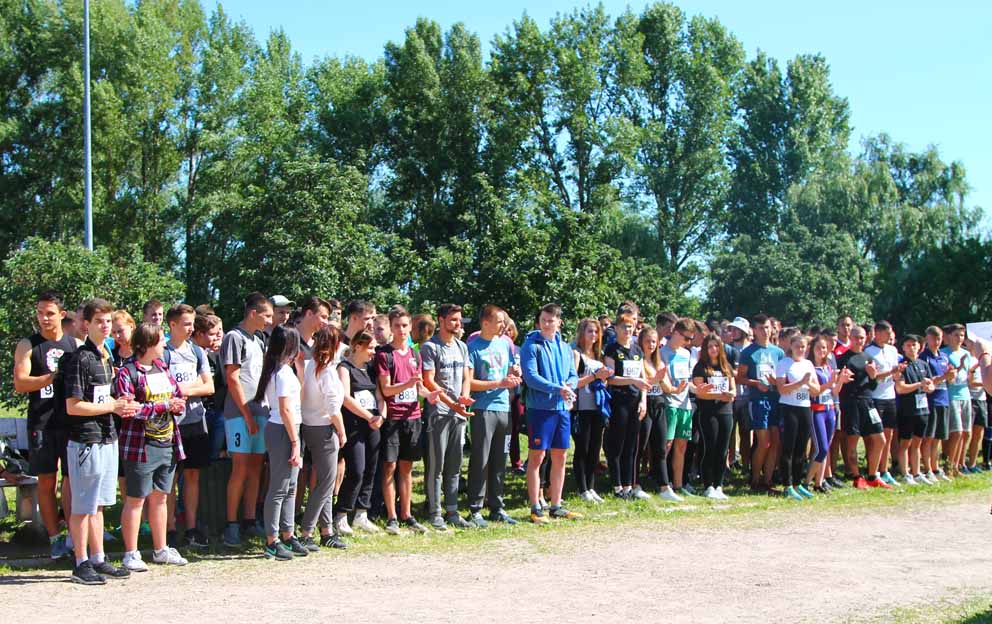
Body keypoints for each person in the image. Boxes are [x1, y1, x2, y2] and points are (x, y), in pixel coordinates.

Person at [64, 298, 135, 584]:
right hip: (86, 440)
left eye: (108, 321)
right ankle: (80, 562)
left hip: (107, 437)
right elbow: (73, 406)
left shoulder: (106, 355)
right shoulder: (80, 358)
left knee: (100, 503)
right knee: (83, 505)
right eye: (99, 322)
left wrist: (121, 403)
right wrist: (112, 407)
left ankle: (98, 558)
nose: (106, 327)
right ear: (86, 324)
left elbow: (105, 398)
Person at [115, 323, 189, 571]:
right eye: (160, 340)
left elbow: (176, 393)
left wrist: (178, 403)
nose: (165, 343)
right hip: (140, 445)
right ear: (147, 344)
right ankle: (130, 553)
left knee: (161, 498)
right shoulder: (127, 373)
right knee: (135, 499)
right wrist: (164, 406)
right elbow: (130, 409)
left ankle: (161, 549)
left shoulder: (162, 368)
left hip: (167, 441)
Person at [13, 290, 78, 559]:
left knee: (72, 480)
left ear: (62, 314)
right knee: (47, 480)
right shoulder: (28, 344)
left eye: (49, 313)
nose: (44, 318)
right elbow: (20, 382)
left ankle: (75, 536)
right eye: (40, 313)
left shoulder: (75, 344)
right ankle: (54, 539)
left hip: (72, 422)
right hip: (42, 422)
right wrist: (51, 377)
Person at [376, 306, 439, 535]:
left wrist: (428, 395)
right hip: (393, 418)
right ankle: (391, 516)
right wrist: (408, 384)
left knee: (407, 467)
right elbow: (386, 389)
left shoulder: (415, 354)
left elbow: (418, 386)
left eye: (405, 326)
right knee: (389, 467)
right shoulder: (384, 355)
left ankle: (407, 513)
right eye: (397, 326)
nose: (401, 330)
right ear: (391, 328)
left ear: (411, 326)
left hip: (413, 417)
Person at [521, 303, 582, 524]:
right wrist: (558, 389)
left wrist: (569, 387)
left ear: (559, 322)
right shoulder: (531, 345)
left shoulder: (565, 348)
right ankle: (535, 507)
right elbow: (531, 377)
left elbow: (573, 375)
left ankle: (556, 505)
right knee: (537, 456)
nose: (547, 324)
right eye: (543, 320)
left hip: (562, 409)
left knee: (560, 455)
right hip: (540, 409)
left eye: (551, 320)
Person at [220, 292, 272, 547]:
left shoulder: (258, 339)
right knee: (239, 467)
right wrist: (247, 415)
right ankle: (231, 524)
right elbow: (233, 378)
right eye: (267, 316)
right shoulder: (234, 337)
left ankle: (250, 519)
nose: (270, 321)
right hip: (239, 414)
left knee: (256, 467)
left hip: (260, 410)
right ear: (253, 313)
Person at [251, 325, 306, 560]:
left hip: (290, 428)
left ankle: (287, 533)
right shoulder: (281, 373)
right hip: (283, 430)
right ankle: (272, 539)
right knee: (279, 487)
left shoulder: (284, 370)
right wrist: (294, 442)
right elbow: (284, 410)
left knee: (291, 486)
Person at [163, 304, 214, 548]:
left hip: (195, 421)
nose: (191, 328)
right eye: (186, 324)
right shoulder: (163, 352)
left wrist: (182, 389)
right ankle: (170, 528)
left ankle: (192, 528)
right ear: (172, 325)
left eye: (192, 323)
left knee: (193, 475)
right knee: (169, 478)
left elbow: (209, 386)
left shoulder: (197, 351)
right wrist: (192, 386)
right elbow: (161, 388)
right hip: (170, 424)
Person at [466, 305, 522, 526]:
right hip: (483, 409)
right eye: (499, 322)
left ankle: (497, 507)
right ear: (485, 322)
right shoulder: (472, 347)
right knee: (481, 459)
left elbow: (508, 371)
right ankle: (475, 508)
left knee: (501, 459)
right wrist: (499, 382)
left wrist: (514, 373)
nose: (503, 326)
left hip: (504, 408)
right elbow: (470, 383)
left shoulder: (504, 344)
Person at [420, 303, 474, 530]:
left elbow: (466, 377)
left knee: (455, 464)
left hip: (458, 414)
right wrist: (452, 403)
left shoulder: (462, 346)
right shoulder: (430, 347)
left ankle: (453, 511)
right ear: (441, 321)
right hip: (439, 414)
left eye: (459, 320)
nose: (458, 324)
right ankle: (435, 513)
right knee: (437, 466)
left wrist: (464, 397)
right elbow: (428, 380)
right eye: (453, 320)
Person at [299, 326, 348, 550]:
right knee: (326, 483)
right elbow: (333, 408)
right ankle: (307, 531)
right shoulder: (326, 371)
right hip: (324, 429)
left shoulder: (310, 365)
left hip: (310, 426)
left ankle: (326, 530)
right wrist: (342, 431)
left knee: (324, 482)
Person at [335, 331, 384, 534]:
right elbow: (345, 397)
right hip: (354, 425)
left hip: (373, 426)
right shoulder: (344, 368)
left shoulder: (371, 369)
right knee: (356, 470)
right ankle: (341, 514)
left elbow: (379, 396)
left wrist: (381, 415)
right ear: (357, 346)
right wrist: (368, 416)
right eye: (370, 348)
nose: (373, 352)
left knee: (371, 470)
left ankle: (361, 513)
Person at [604, 312, 650, 500]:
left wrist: (643, 400)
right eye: (624, 326)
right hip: (619, 401)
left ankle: (628, 485)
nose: (627, 330)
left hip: (635, 401)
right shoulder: (612, 349)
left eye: (630, 327)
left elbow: (643, 379)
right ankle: (617, 486)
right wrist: (631, 380)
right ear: (616, 328)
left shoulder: (637, 350)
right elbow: (610, 378)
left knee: (632, 445)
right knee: (618, 444)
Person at [837, 326, 889, 489]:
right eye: (856, 338)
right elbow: (841, 384)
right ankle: (856, 476)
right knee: (852, 440)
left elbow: (872, 386)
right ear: (851, 338)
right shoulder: (844, 358)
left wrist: (873, 376)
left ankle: (873, 475)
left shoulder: (868, 357)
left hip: (868, 402)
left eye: (862, 338)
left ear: (866, 338)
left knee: (880, 439)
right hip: (851, 403)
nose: (859, 341)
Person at [774, 334, 820, 501]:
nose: (800, 349)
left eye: (803, 347)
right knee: (788, 448)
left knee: (801, 448)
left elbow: (816, 390)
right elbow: (781, 389)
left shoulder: (808, 364)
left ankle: (797, 483)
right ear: (791, 346)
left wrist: (808, 383)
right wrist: (800, 383)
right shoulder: (784, 363)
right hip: (789, 407)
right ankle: (787, 485)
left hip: (804, 407)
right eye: (797, 346)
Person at [571, 319, 612, 503]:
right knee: (583, 448)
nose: (593, 335)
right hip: (582, 408)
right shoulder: (576, 354)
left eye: (596, 332)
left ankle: (591, 486)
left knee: (595, 449)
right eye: (590, 331)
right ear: (582, 332)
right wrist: (595, 376)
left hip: (598, 408)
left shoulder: (599, 355)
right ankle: (582, 488)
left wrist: (603, 380)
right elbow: (573, 382)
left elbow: (603, 381)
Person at [692, 334, 735, 500]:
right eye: (710, 346)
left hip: (726, 411)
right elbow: (700, 393)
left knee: (723, 450)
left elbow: (733, 389)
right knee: (710, 447)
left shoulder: (726, 366)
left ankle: (719, 485)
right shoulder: (700, 367)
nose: (713, 349)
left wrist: (730, 394)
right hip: (708, 412)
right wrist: (719, 395)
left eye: (716, 346)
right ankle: (708, 485)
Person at [893, 334, 935, 484]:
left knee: (918, 442)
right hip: (907, 409)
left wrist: (929, 387)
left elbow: (931, 385)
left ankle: (917, 473)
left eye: (914, 345)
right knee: (905, 443)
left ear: (920, 346)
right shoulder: (901, 366)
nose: (912, 348)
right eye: (908, 345)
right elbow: (900, 388)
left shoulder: (923, 364)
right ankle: (905, 473)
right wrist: (919, 385)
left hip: (923, 409)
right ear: (903, 348)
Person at [660, 319, 695, 496]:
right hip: (669, 403)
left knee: (681, 446)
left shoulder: (686, 354)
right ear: (675, 333)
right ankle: (662, 483)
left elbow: (688, 381)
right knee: (667, 445)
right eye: (686, 338)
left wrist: (699, 389)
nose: (688, 342)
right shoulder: (661, 353)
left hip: (685, 404)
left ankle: (678, 484)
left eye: (691, 339)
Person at [864, 321, 901, 486]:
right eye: (887, 333)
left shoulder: (892, 350)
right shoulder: (868, 351)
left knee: (889, 434)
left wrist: (897, 373)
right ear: (877, 333)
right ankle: (873, 470)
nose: (890, 336)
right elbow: (872, 377)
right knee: (876, 437)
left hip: (890, 396)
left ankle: (884, 470)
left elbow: (895, 372)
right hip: (876, 397)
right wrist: (890, 372)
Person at [806, 336, 841, 493]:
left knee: (826, 449)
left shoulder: (828, 367)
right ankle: (807, 482)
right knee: (821, 448)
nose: (822, 351)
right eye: (819, 348)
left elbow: (834, 391)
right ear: (812, 350)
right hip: (817, 410)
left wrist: (841, 380)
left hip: (829, 409)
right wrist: (829, 383)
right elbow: (814, 391)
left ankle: (819, 483)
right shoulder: (810, 368)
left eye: (825, 348)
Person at [919, 326, 954, 482]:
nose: (936, 342)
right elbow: (928, 381)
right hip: (931, 400)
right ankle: (927, 469)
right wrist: (944, 377)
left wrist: (951, 375)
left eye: (939, 338)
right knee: (928, 437)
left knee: (938, 437)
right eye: (933, 338)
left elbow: (949, 379)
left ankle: (935, 467)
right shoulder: (923, 357)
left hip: (944, 398)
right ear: (927, 339)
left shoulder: (944, 357)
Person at [192, 314, 226, 461]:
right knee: (194, 460)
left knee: (212, 458)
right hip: (196, 412)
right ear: (200, 334)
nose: (216, 338)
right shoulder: (190, 353)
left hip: (217, 410)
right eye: (212, 334)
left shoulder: (214, 353)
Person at [941, 324, 973, 477]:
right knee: (956, 432)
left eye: (962, 335)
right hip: (952, 395)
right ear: (948, 336)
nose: (960, 338)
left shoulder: (966, 353)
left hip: (966, 394)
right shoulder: (944, 353)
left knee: (966, 433)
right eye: (956, 335)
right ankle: (949, 465)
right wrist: (959, 366)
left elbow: (968, 375)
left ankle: (958, 465)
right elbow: (949, 377)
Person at [726, 317, 751, 474]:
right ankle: (729, 463)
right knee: (729, 432)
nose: (733, 332)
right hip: (731, 396)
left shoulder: (751, 349)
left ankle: (746, 465)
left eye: (736, 329)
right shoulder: (727, 349)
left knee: (746, 432)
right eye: (732, 329)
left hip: (747, 396)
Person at [966, 338, 987, 472]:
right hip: (970, 399)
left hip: (982, 399)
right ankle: (961, 464)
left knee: (979, 433)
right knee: (967, 434)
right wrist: (986, 383)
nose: (974, 344)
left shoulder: (984, 359)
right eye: (971, 341)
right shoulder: (966, 358)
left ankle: (972, 464)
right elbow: (971, 382)